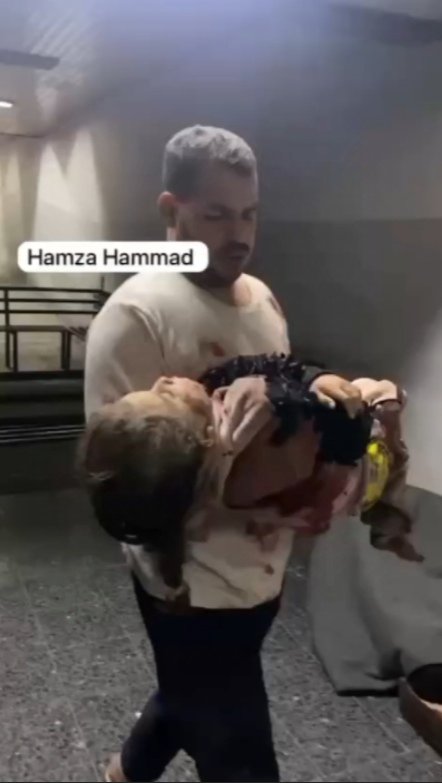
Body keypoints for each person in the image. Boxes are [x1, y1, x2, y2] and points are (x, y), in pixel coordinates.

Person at [84, 125, 363, 783]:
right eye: (216, 214)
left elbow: (283, 410)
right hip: (189, 584)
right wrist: (242, 497)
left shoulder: (263, 299)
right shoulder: (135, 317)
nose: (238, 234)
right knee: (236, 745)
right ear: (171, 210)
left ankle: (125, 772)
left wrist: (310, 474)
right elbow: (119, 484)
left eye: (249, 214)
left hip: (262, 569)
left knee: (188, 695)